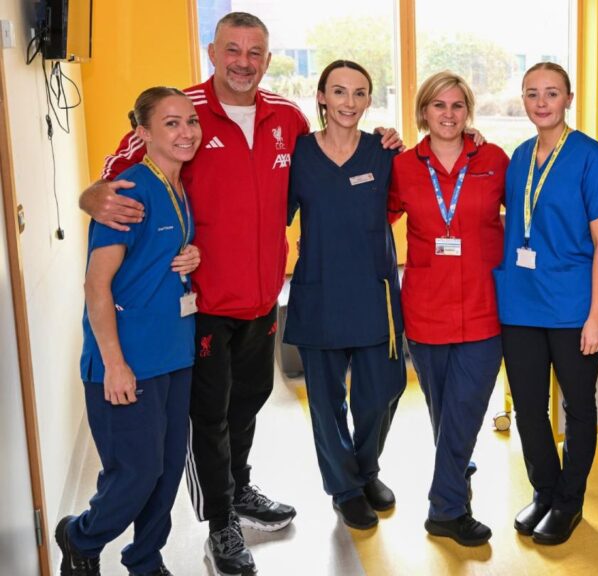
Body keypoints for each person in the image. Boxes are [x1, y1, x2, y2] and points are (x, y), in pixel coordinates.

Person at [79, 12, 396, 575]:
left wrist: (385, 142)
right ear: (212, 51)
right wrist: (91, 197)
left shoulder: (287, 117)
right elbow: (116, 173)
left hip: (262, 298)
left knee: (247, 404)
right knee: (210, 416)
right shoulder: (185, 114)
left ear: (268, 59)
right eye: (232, 49)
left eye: (255, 52)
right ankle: (220, 519)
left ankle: (241, 487)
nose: (243, 61)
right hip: (201, 303)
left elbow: (325, 166)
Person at [55, 87, 202, 576]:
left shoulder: (178, 186)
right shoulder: (127, 191)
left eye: (191, 122)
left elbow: (159, 257)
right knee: (135, 474)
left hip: (174, 352)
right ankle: (81, 536)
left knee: (164, 471)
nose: (186, 133)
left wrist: (191, 256)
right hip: (127, 360)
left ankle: (145, 559)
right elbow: (96, 285)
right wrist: (115, 364)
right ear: (142, 133)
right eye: (171, 124)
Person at [495, 62, 598, 546]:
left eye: (552, 92)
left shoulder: (590, 157)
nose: (542, 101)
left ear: (569, 98)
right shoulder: (520, 156)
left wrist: (596, 317)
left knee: (578, 408)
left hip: (574, 308)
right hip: (521, 306)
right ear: (524, 101)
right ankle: (544, 490)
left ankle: (570, 501)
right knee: (528, 408)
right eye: (532, 93)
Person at [387, 71, 509, 546]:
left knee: (464, 411)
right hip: (425, 312)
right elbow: (374, 217)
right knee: (445, 416)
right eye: (439, 106)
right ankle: (457, 470)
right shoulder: (401, 167)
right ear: (423, 112)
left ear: (468, 112)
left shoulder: (495, 160)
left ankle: (446, 508)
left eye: (457, 106)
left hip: (483, 310)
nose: (449, 114)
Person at [284, 60, 406, 532]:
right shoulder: (299, 155)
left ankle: (365, 467)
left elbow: (427, 178)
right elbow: (269, 213)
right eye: (339, 92)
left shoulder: (384, 152)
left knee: (383, 391)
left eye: (358, 93)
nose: (349, 103)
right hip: (319, 290)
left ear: (369, 101)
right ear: (321, 98)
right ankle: (346, 487)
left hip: (374, 291)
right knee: (326, 401)